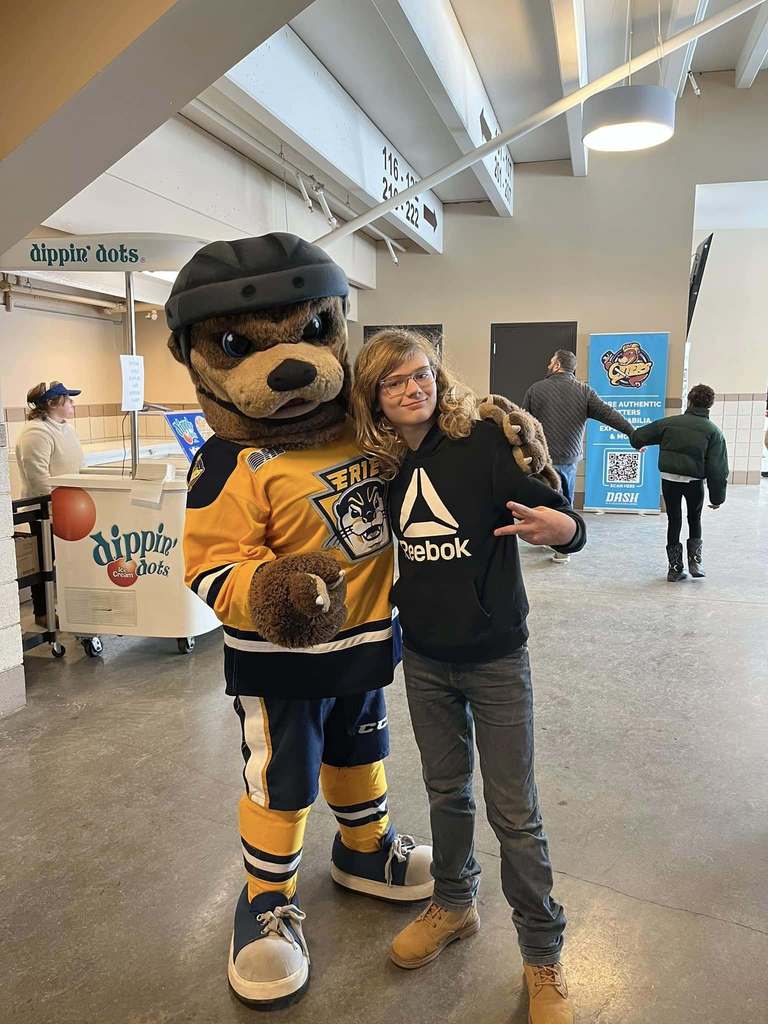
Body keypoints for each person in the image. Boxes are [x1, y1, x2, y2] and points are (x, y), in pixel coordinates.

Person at [352, 329, 585, 1024]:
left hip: (495, 658)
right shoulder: (384, 465)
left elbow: (560, 512)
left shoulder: (482, 442)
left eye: (419, 374)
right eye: (393, 383)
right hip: (424, 658)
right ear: (376, 398)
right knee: (445, 792)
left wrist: (564, 530)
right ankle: (454, 905)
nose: (411, 389)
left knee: (515, 812)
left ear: (437, 376)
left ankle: (542, 953)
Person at [522, 349, 634, 562]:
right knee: (565, 501)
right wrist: (632, 433)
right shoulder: (584, 391)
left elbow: (524, 423)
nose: (548, 365)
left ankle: (545, 536)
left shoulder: (536, 389)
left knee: (543, 498)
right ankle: (563, 547)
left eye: (550, 362)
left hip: (543, 459)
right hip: (569, 457)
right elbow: (609, 414)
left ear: (556, 365)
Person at [631, 383, 728, 582]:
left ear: (689, 400)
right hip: (694, 483)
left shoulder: (669, 423)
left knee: (674, 521)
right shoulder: (713, 432)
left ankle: (674, 568)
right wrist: (717, 497)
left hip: (669, 481)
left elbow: (638, 436)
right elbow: (718, 468)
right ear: (710, 405)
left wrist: (640, 443)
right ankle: (695, 562)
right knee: (695, 519)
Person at [15, 382, 83, 626]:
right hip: (44, 512)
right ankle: (43, 614)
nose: (73, 404)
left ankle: (69, 606)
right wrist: (61, 503)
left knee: (70, 562)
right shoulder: (36, 433)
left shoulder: (67, 430)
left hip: (70, 509)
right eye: (68, 400)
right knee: (44, 563)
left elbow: (76, 467)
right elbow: (39, 479)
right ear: (53, 404)